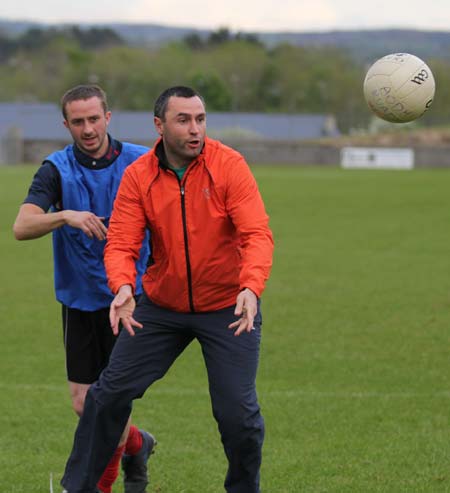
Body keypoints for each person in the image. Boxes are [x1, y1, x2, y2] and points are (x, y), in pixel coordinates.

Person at [60, 85, 274, 493]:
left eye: (200, 119)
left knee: (238, 416)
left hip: (228, 306)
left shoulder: (229, 165)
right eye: (184, 120)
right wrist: (123, 286)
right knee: (105, 397)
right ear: (159, 125)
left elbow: (257, 234)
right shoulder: (139, 175)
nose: (195, 129)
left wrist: (250, 286)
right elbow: (121, 241)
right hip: (161, 306)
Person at [13, 84, 156, 493]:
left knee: (110, 404)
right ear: (66, 124)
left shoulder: (141, 162)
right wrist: (65, 216)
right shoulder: (56, 169)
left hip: (129, 299)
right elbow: (21, 227)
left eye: (94, 118)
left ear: (108, 117)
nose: (88, 128)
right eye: (78, 121)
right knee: (83, 404)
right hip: (79, 301)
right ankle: (138, 445)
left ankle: (99, 486)